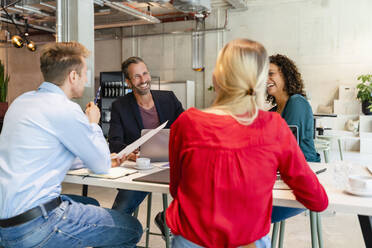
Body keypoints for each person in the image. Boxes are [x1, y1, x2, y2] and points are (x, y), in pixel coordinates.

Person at [165, 39, 328, 248]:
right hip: (248, 241)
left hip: (190, 241)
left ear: (216, 78)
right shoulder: (274, 126)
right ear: (259, 82)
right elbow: (316, 199)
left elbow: (176, 188)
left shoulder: (186, 123)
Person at [0, 42, 142, 248]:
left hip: (5, 224)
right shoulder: (65, 109)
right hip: (37, 224)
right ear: (73, 76)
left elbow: (47, 153)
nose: (86, 80)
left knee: (91, 204)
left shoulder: (21, 102)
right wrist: (93, 123)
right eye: (84, 73)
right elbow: (101, 165)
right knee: (130, 229)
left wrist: (93, 157)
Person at [108, 56, 184, 215]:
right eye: (136, 76)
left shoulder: (168, 98)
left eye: (145, 73)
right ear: (128, 82)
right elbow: (115, 143)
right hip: (141, 168)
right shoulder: (119, 106)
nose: (143, 80)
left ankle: (167, 218)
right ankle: (116, 233)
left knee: (199, 189)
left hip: (172, 165)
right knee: (122, 208)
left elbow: (186, 128)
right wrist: (132, 155)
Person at [267, 54, 320, 223]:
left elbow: (286, 150)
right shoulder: (271, 112)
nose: (265, 79)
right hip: (279, 178)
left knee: (246, 210)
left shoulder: (297, 102)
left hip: (302, 179)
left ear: (285, 75)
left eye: (271, 73)